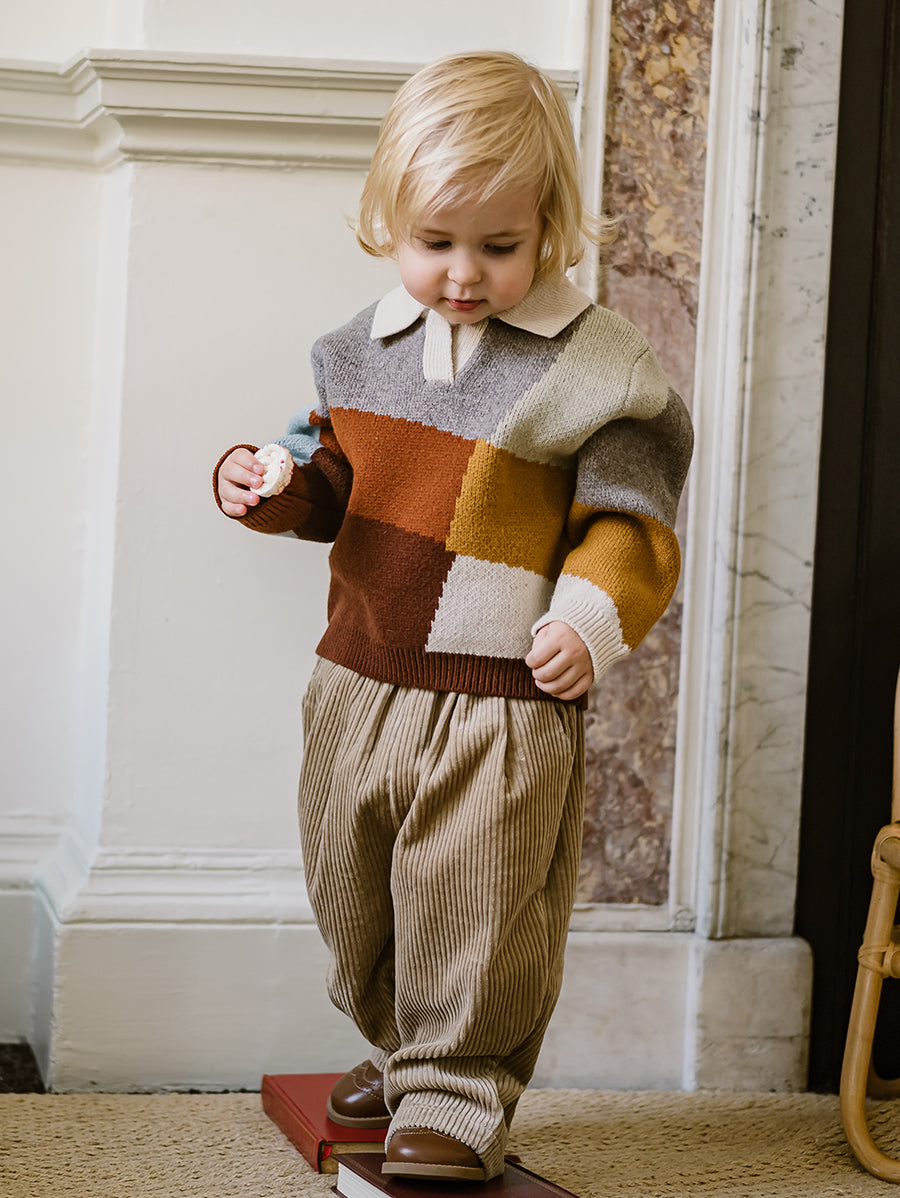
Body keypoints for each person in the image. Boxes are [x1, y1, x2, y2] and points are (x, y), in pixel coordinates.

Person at [214, 50, 693, 1183]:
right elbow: (327, 479)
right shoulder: (356, 351)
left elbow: (631, 519)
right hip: (360, 675)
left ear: (552, 227)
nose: (464, 274)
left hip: (498, 694)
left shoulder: (600, 368)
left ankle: (457, 1088)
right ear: (389, 219)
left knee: (475, 898)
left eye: (501, 246)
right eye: (435, 241)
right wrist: (271, 486)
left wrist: (588, 618)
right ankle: (403, 1048)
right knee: (356, 886)